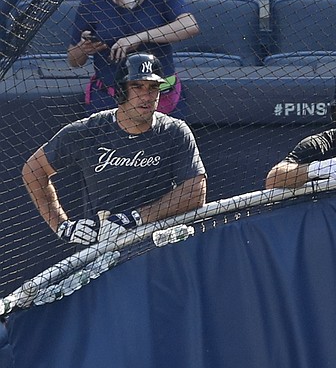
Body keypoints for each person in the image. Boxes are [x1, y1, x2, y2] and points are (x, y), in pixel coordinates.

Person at [22, 53, 207, 247]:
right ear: (121, 91)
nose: (146, 96)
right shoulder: (89, 130)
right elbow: (33, 170)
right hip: (101, 248)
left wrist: (134, 218)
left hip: (156, 246)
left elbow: (196, 192)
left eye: (153, 88)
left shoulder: (175, 131)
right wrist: (62, 226)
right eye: (137, 86)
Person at [68, 0, 199, 116]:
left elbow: (190, 26)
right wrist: (83, 49)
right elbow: (74, 60)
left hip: (159, 96)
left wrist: (139, 38)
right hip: (110, 97)